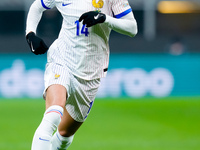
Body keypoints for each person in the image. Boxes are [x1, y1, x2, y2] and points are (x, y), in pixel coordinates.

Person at [25, 0, 137, 149]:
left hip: (91, 73)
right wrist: (30, 33)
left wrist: (104, 18)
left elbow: (132, 28)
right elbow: (37, 6)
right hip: (62, 60)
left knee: (64, 135)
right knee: (53, 115)